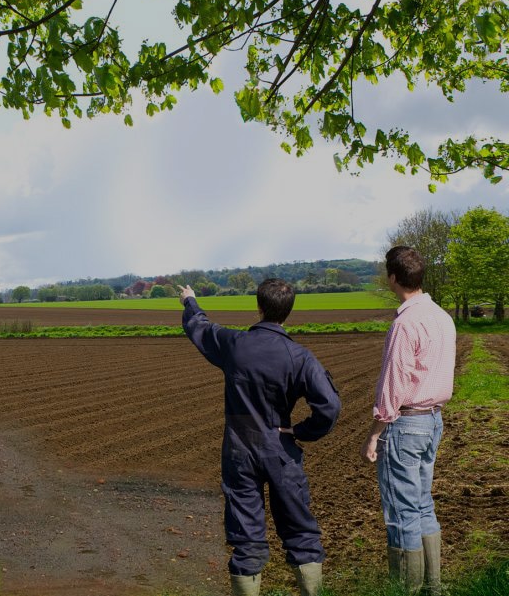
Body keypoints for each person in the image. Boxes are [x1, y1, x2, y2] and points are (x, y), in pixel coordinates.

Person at [178, 279, 341, 596]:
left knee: (246, 538)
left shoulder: (235, 344)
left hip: (240, 450)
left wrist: (190, 301)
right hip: (280, 448)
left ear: (259, 307)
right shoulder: (300, 356)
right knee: (300, 533)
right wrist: (301, 431)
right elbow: (330, 407)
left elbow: (201, 328)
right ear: (288, 313)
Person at [360, 246, 455, 595]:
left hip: (406, 425)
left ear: (393, 279)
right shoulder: (442, 317)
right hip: (433, 421)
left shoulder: (405, 323)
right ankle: (434, 587)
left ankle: (406, 591)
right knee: (422, 504)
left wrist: (374, 433)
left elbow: (393, 384)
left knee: (401, 513)